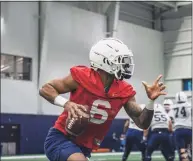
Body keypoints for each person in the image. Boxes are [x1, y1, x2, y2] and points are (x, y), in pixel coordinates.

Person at [39, 38, 166, 161]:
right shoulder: (83, 76)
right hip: (61, 138)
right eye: (121, 60)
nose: (126, 64)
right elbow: (46, 88)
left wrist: (151, 102)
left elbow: (142, 123)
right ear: (105, 60)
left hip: (84, 147)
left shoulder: (124, 90)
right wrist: (66, 103)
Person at [172, 92, 192, 161]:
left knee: (182, 151)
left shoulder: (173, 107)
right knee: (189, 150)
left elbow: (171, 119)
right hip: (189, 130)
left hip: (178, 130)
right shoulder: (189, 105)